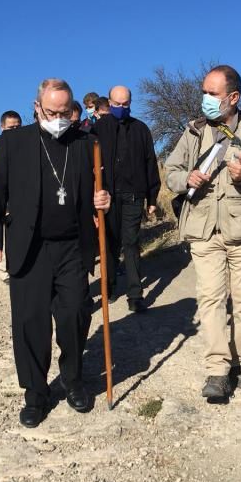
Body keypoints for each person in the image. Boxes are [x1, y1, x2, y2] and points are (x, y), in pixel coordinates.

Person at [0, 78, 111, 428]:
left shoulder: (86, 144)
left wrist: (103, 200)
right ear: (37, 107)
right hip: (30, 246)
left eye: (65, 112)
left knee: (74, 316)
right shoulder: (14, 142)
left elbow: (100, 188)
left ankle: (72, 379)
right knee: (30, 323)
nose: (59, 118)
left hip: (72, 245)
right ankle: (35, 393)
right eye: (51, 111)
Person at [165, 64, 241, 399]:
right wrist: (185, 178)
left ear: (233, 97)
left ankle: (238, 359)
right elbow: (171, 172)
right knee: (211, 299)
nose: (205, 99)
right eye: (203, 92)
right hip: (204, 231)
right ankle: (218, 370)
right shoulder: (193, 132)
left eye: (212, 93)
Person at [93, 85, 160, 312]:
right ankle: (109, 287)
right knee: (109, 243)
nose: (121, 108)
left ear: (130, 103)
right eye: (117, 104)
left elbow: (151, 162)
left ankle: (135, 294)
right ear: (109, 103)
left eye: (125, 104)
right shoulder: (98, 129)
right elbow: (88, 164)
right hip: (107, 197)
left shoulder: (141, 129)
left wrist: (152, 197)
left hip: (133, 196)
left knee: (131, 243)